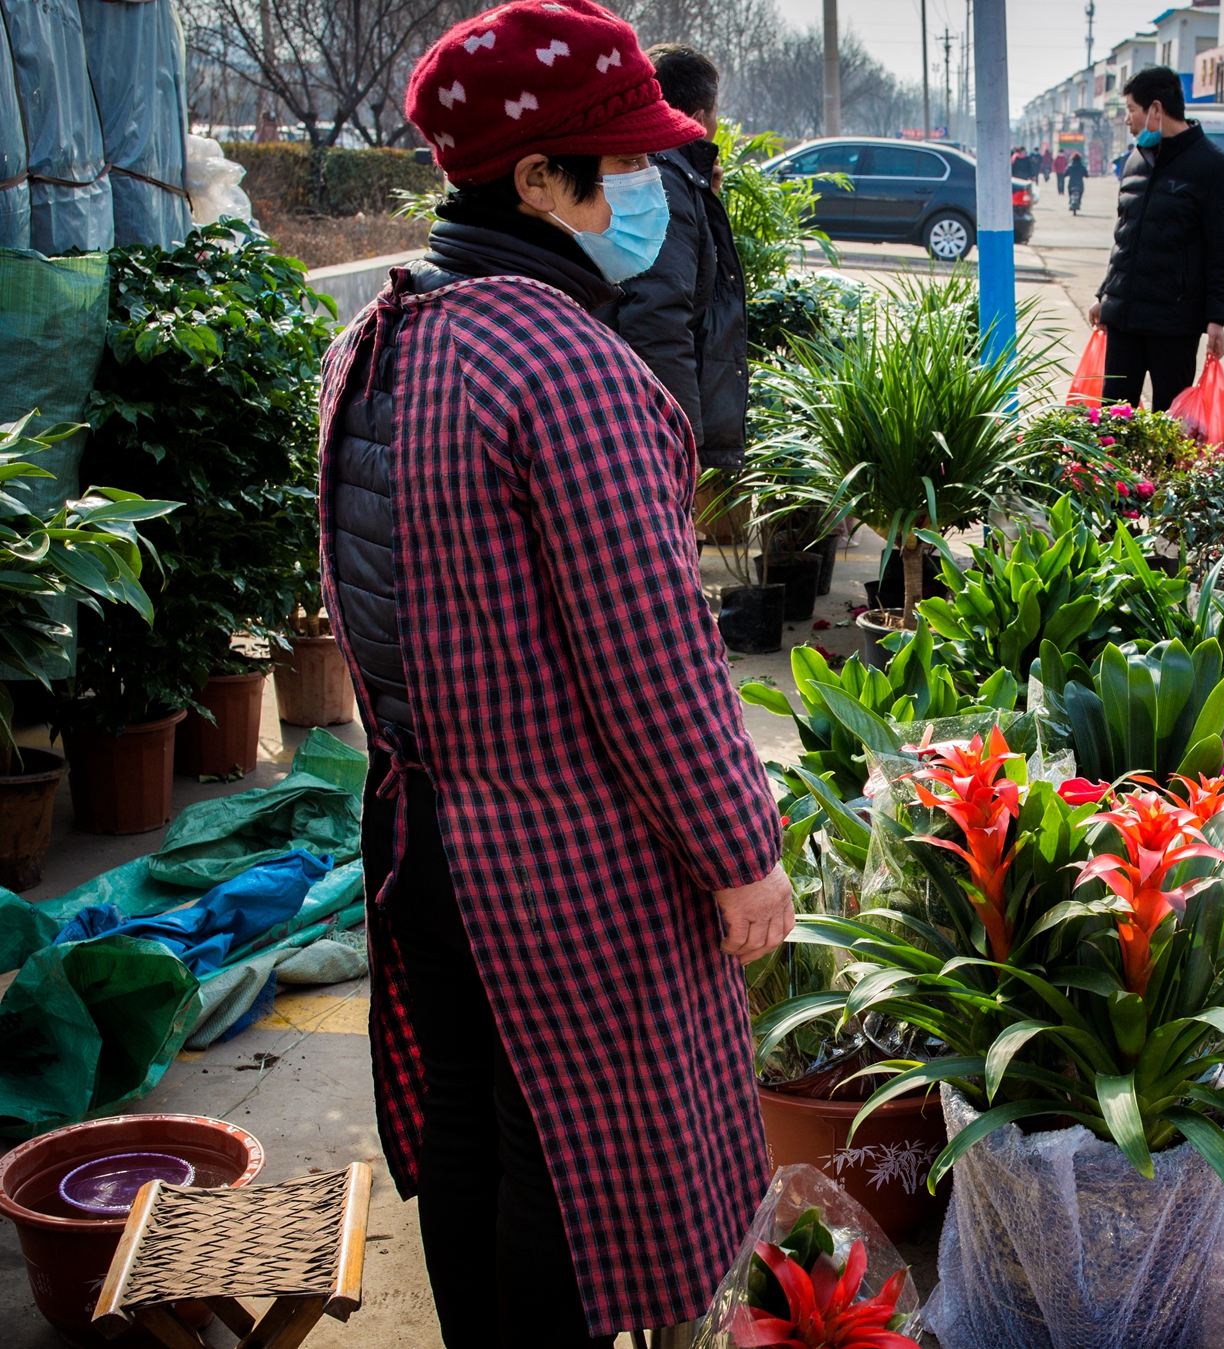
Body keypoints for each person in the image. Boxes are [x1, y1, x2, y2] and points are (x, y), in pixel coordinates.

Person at [321, 3, 795, 1344]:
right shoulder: (564, 365)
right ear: (535, 179)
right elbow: (655, 660)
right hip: (556, 862)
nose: (646, 188)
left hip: (417, 840)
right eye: (622, 164)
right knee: (570, 1168)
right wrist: (742, 855)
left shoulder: (380, 338)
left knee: (471, 1127)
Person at [614, 43, 749, 473]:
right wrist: (680, 446)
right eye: (716, 116)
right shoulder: (664, 184)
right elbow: (659, 322)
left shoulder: (663, 175)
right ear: (698, 119)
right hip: (660, 432)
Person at [1089, 65, 1224, 411]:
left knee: (1168, 423)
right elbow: (1125, 239)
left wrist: (1217, 317)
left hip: (1173, 324)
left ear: (1156, 109)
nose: (1127, 120)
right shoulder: (1135, 161)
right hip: (1124, 318)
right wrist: (1106, 295)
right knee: (1112, 420)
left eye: (1131, 110)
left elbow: (1222, 251)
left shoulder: (1215, 169)